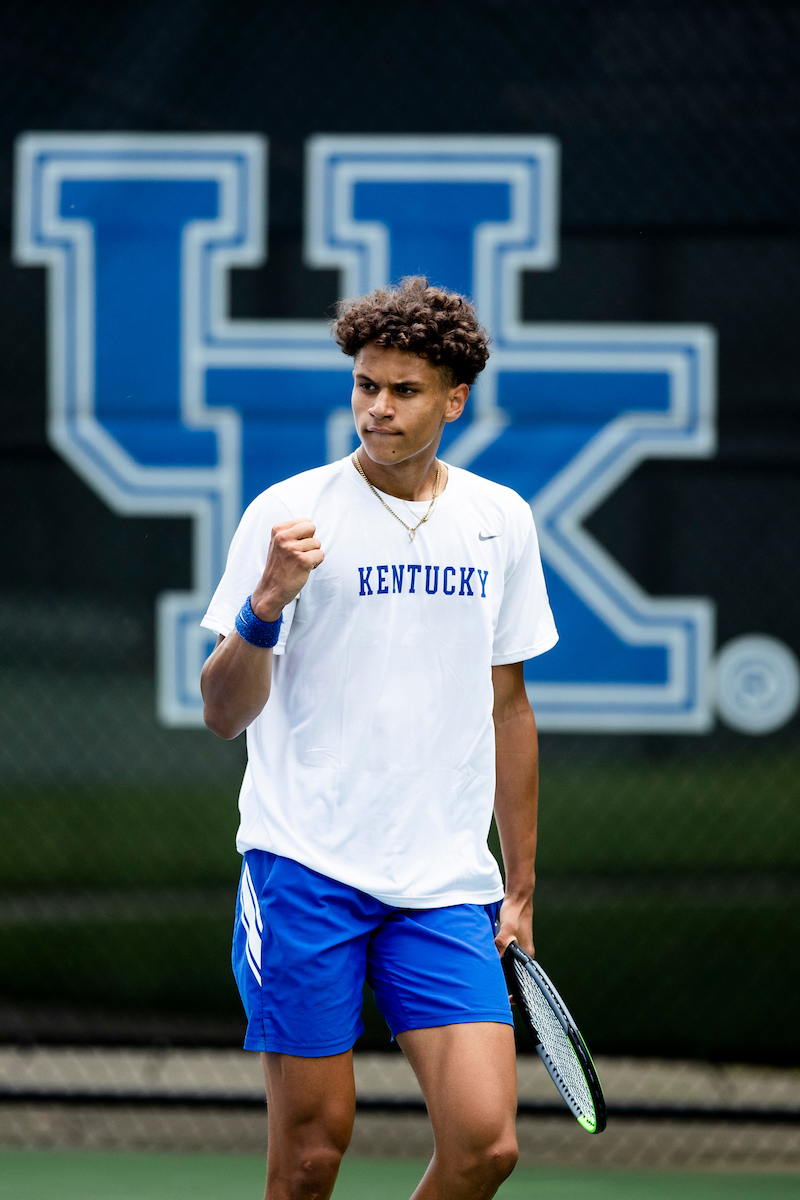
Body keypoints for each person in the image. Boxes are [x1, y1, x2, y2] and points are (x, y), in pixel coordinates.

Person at [200, 276, 557, 1200]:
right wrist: (266, 603)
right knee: (312, 1158)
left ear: (453, 399)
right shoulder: (289, 515)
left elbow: (509, 707)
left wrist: (518, 884)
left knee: (486, 1147)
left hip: (444, 885)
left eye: (403, 390)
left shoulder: (500, 521)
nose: (379, 408)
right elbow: (221, 710)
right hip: (303, 867)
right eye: (366, 385)